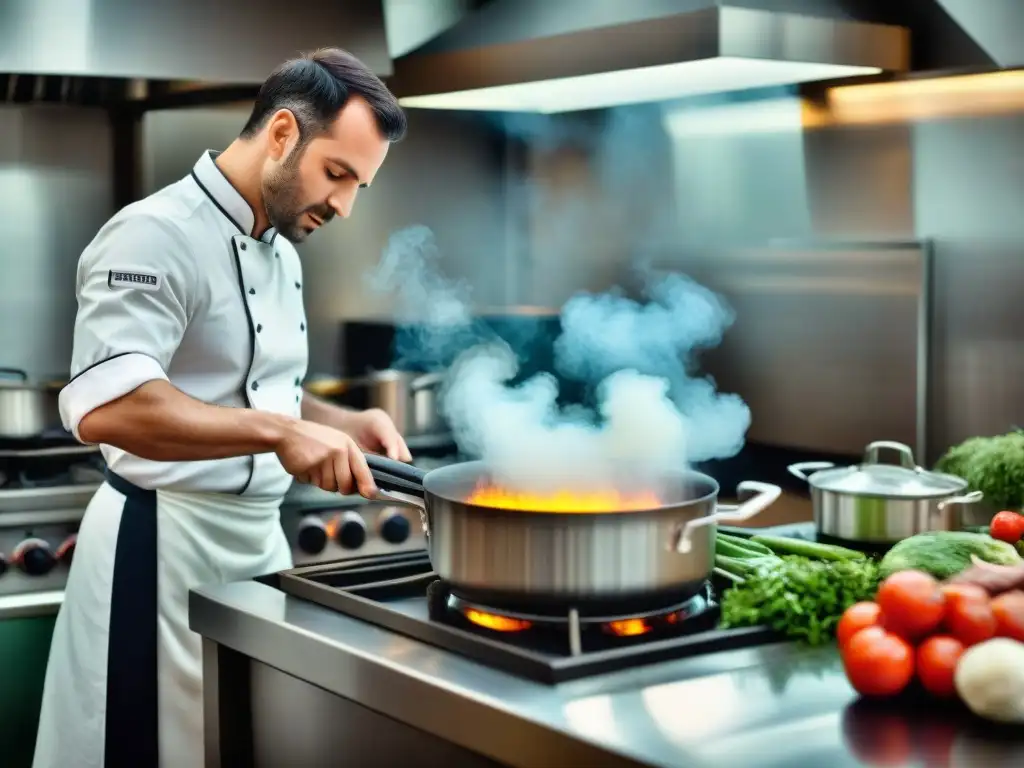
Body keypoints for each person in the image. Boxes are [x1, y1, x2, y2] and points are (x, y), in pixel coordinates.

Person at [32, 48, 410, 768]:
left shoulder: (282, 251)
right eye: (337, 174)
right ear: (280, 135)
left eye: (360, 184)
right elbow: (111, 405)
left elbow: (251, 389)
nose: (344, 204)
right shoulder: (154, 233)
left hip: (255, 551)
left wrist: (338, 424)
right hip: (160, 549)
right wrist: (278, 431)